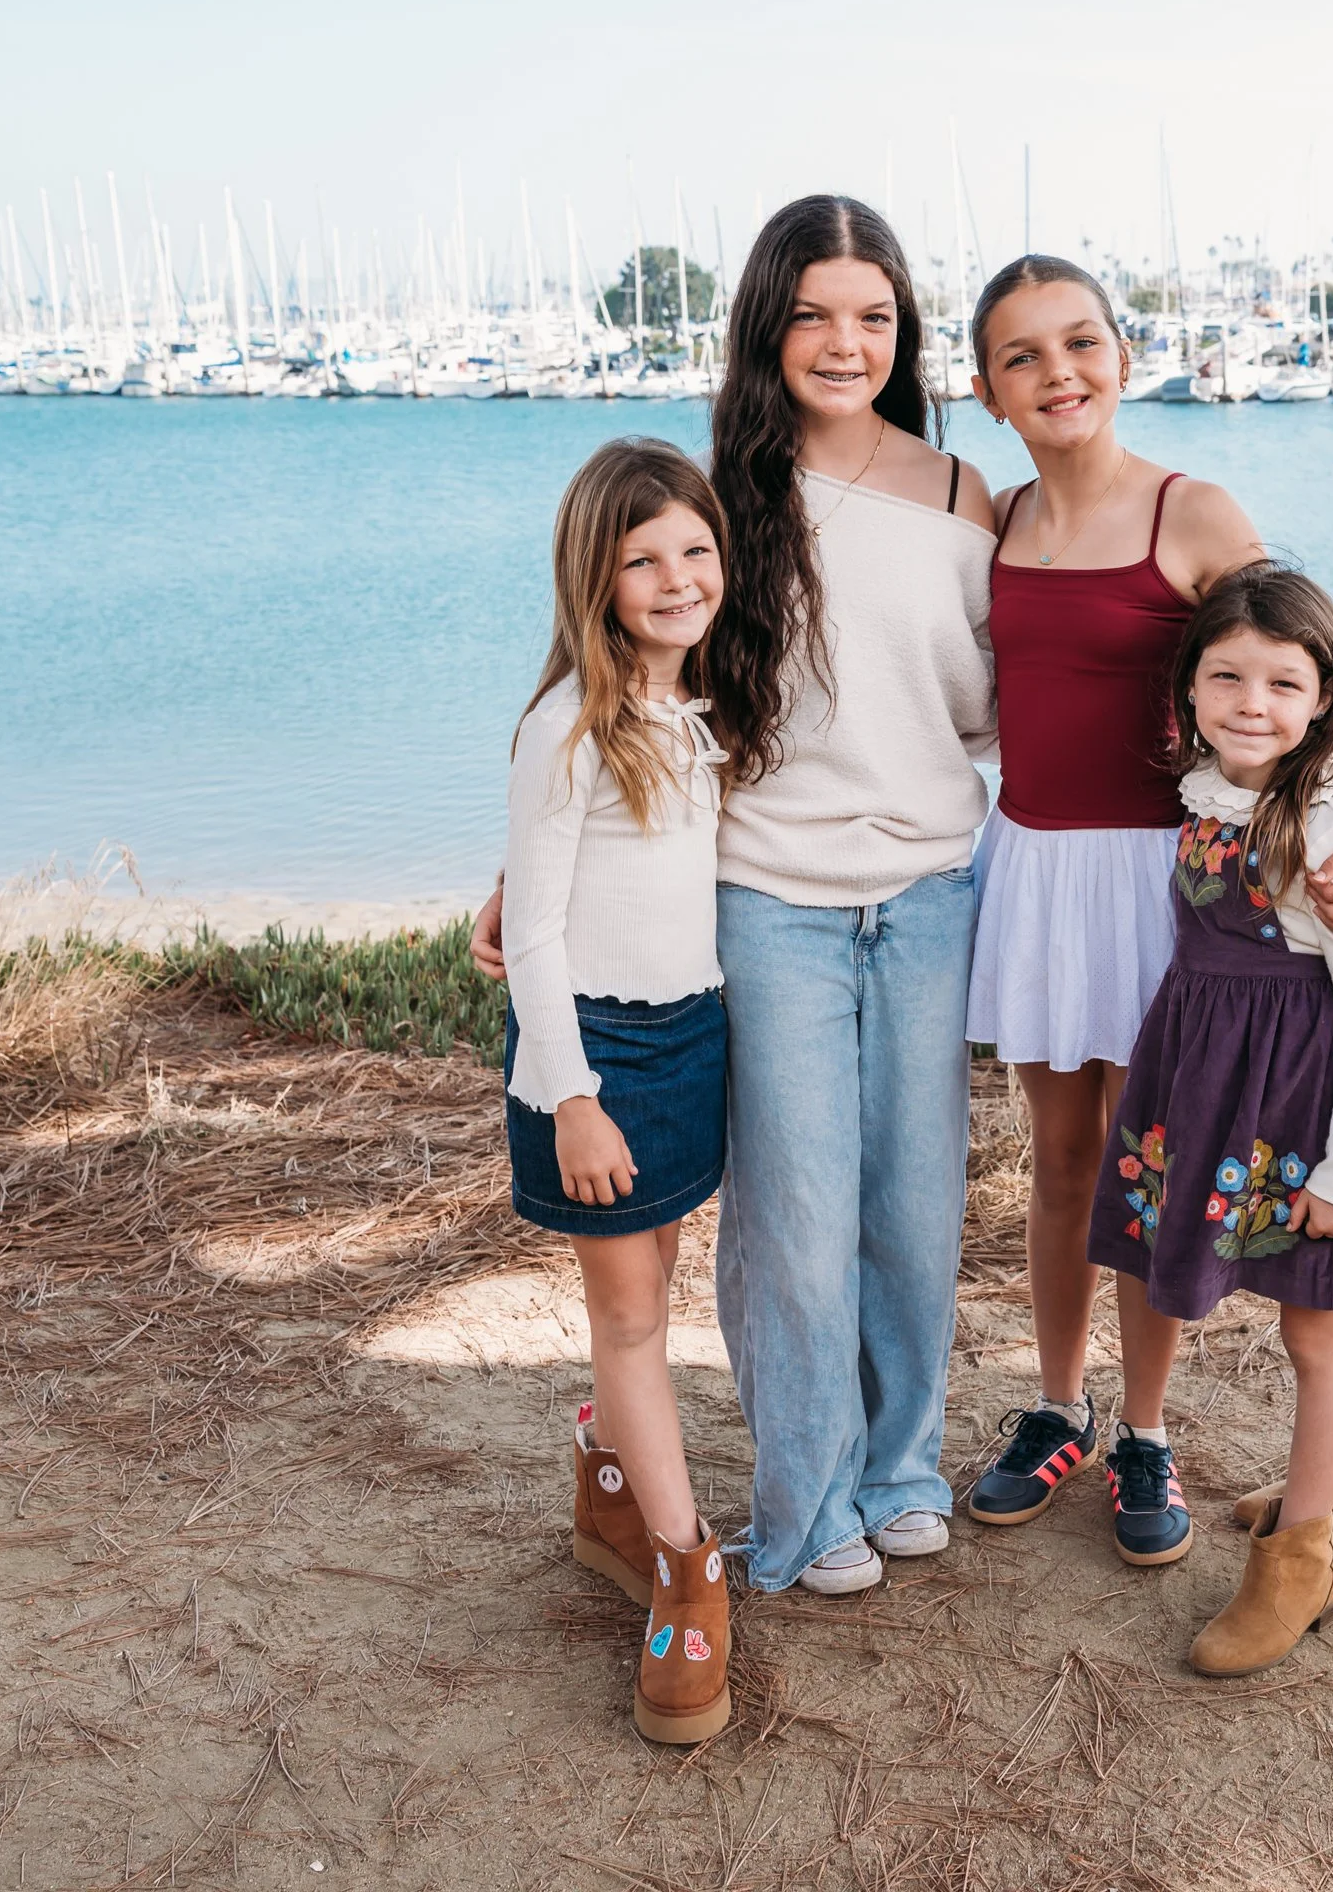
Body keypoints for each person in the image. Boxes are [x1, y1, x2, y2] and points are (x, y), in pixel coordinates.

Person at [475, 196, 998, 1597]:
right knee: (797, 1219)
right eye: (814, 313)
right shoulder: (718, 493)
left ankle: (901, 1468)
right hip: (763, 897)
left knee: (915, 1205)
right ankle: (806, 1503)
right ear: (767, 325)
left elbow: (996, 703)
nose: (845, 342)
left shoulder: (959, 496)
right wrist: (527, 864)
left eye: (874, 316)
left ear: (904, 330)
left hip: (931, 891)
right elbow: (630, 684)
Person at [957, 257, 1333, 1562]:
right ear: (987, 390)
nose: (1060, 373)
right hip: (1039, 870)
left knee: (1148, 1170)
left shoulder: (1192, 510)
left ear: (1124, 352)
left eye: (1081, 342)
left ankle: (1145, 1432)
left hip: (1168, 883)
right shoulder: (993, 522)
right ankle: (1058, 1410)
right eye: (1024, 356)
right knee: (1059, 1164)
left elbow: (1304, 669)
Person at [1085, 562, 1333, 1676]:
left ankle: (1302, 1558)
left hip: (1310, 1115)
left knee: (1314, 1326)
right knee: (1319, 1321)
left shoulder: (1319, 825)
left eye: (1283, 684)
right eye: (1227, 676)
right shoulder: (1211, 795)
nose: (1252, 703)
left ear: (1325, 702)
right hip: (1225, 1095)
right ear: (1187, 691)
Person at [497, 437, 736, 1743]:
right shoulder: (568, 726)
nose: (676, 576)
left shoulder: (697, 714)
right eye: (642, 558)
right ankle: (688, 1568)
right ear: (594, 576)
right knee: (634, 1314)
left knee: (648, 1299)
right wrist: (573, 1095)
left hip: (692, 1037)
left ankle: (607, 1472)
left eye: (695, 549)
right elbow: (535, 931)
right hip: (592, 1056)